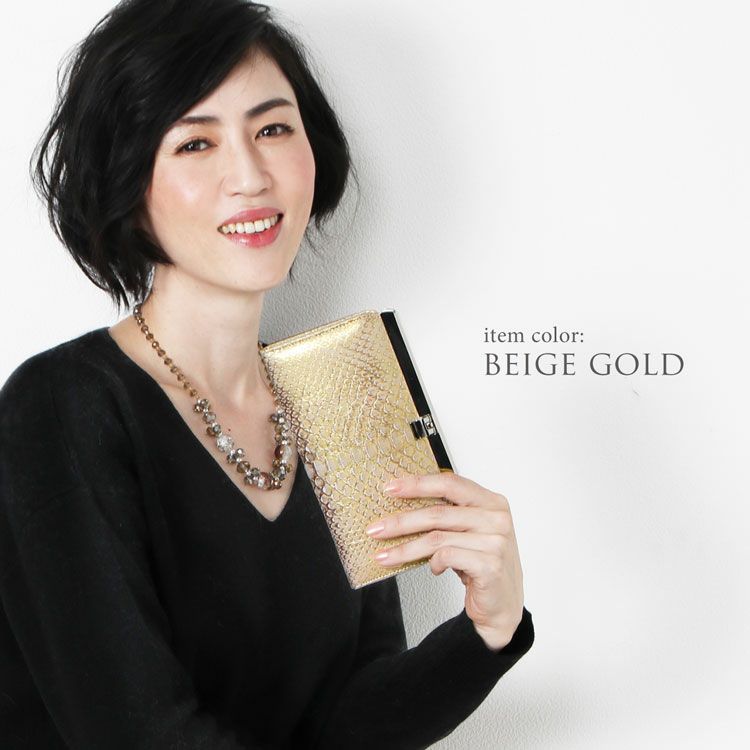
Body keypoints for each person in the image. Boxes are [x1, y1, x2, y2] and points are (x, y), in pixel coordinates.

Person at [0, 0, 534, 747]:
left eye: (273, 129)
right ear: (127, 180)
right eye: (195, 143)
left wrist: (489, 628)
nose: (249, 176)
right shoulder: (60, 408)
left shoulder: (345, 392)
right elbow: (141, 735)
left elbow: (352, 722)